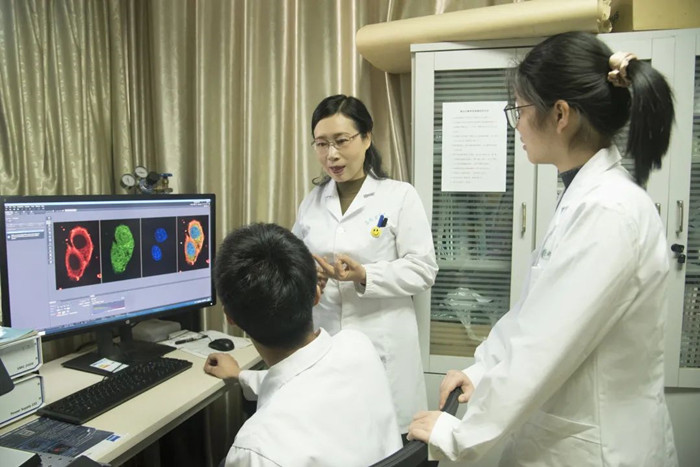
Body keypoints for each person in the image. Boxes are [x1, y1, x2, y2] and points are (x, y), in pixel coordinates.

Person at [408, 31, 678, 466]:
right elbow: (532, 314)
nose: (516, 124)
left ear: (560, 114)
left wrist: (460, 435)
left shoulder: (608, 211)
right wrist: (481, 371)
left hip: (598, 449)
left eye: (519, 109)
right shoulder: (583, 199)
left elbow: (543, 347)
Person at [292, 94, 439, 434]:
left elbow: (423, 269)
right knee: (334, 437)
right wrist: (310, 277)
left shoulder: (399, 196)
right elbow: (295, 262)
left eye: (341, 141)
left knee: (386, 439)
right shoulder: (312, 203)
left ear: (367, 138)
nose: (331, 154)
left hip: (382, 346)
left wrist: (364, 275)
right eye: (321, 144)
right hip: (326, 343)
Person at [203, 223, 402, 466]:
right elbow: (303, 378)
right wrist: (240, 375)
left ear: (230, 317)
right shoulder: (358, 345)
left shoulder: (256, 449)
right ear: (316, 295)